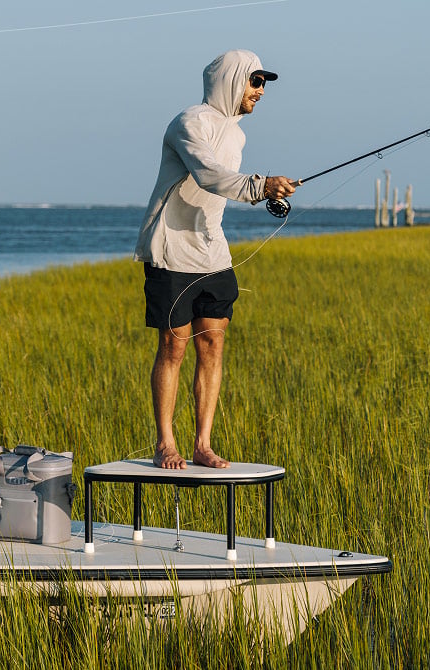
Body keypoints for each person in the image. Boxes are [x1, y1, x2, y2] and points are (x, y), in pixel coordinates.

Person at [134, 49, 297, 469]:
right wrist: (260, 186)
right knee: (173, 347)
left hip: (213, 252)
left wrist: (264, 191)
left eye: (263, 84)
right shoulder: (189, 123)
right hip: (171, 251)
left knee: (213, 345)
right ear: (231, 79)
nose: (260, 91)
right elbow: (207, 173)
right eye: (255, 81)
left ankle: (202, 444)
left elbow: (222, 190)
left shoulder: (238, 134)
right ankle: (165, 443)